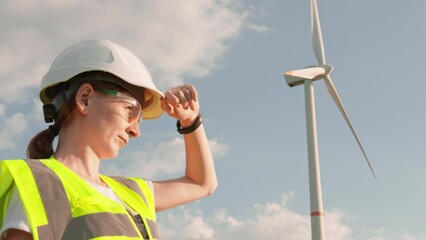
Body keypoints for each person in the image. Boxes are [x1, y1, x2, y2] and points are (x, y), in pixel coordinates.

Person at [0, 39, 217, 240]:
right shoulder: (37, 183)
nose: (135, 130)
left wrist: (191, 121)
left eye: (140, 118)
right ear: (85, 98)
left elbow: (202, 184)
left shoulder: (132, 194)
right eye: (130, 110)